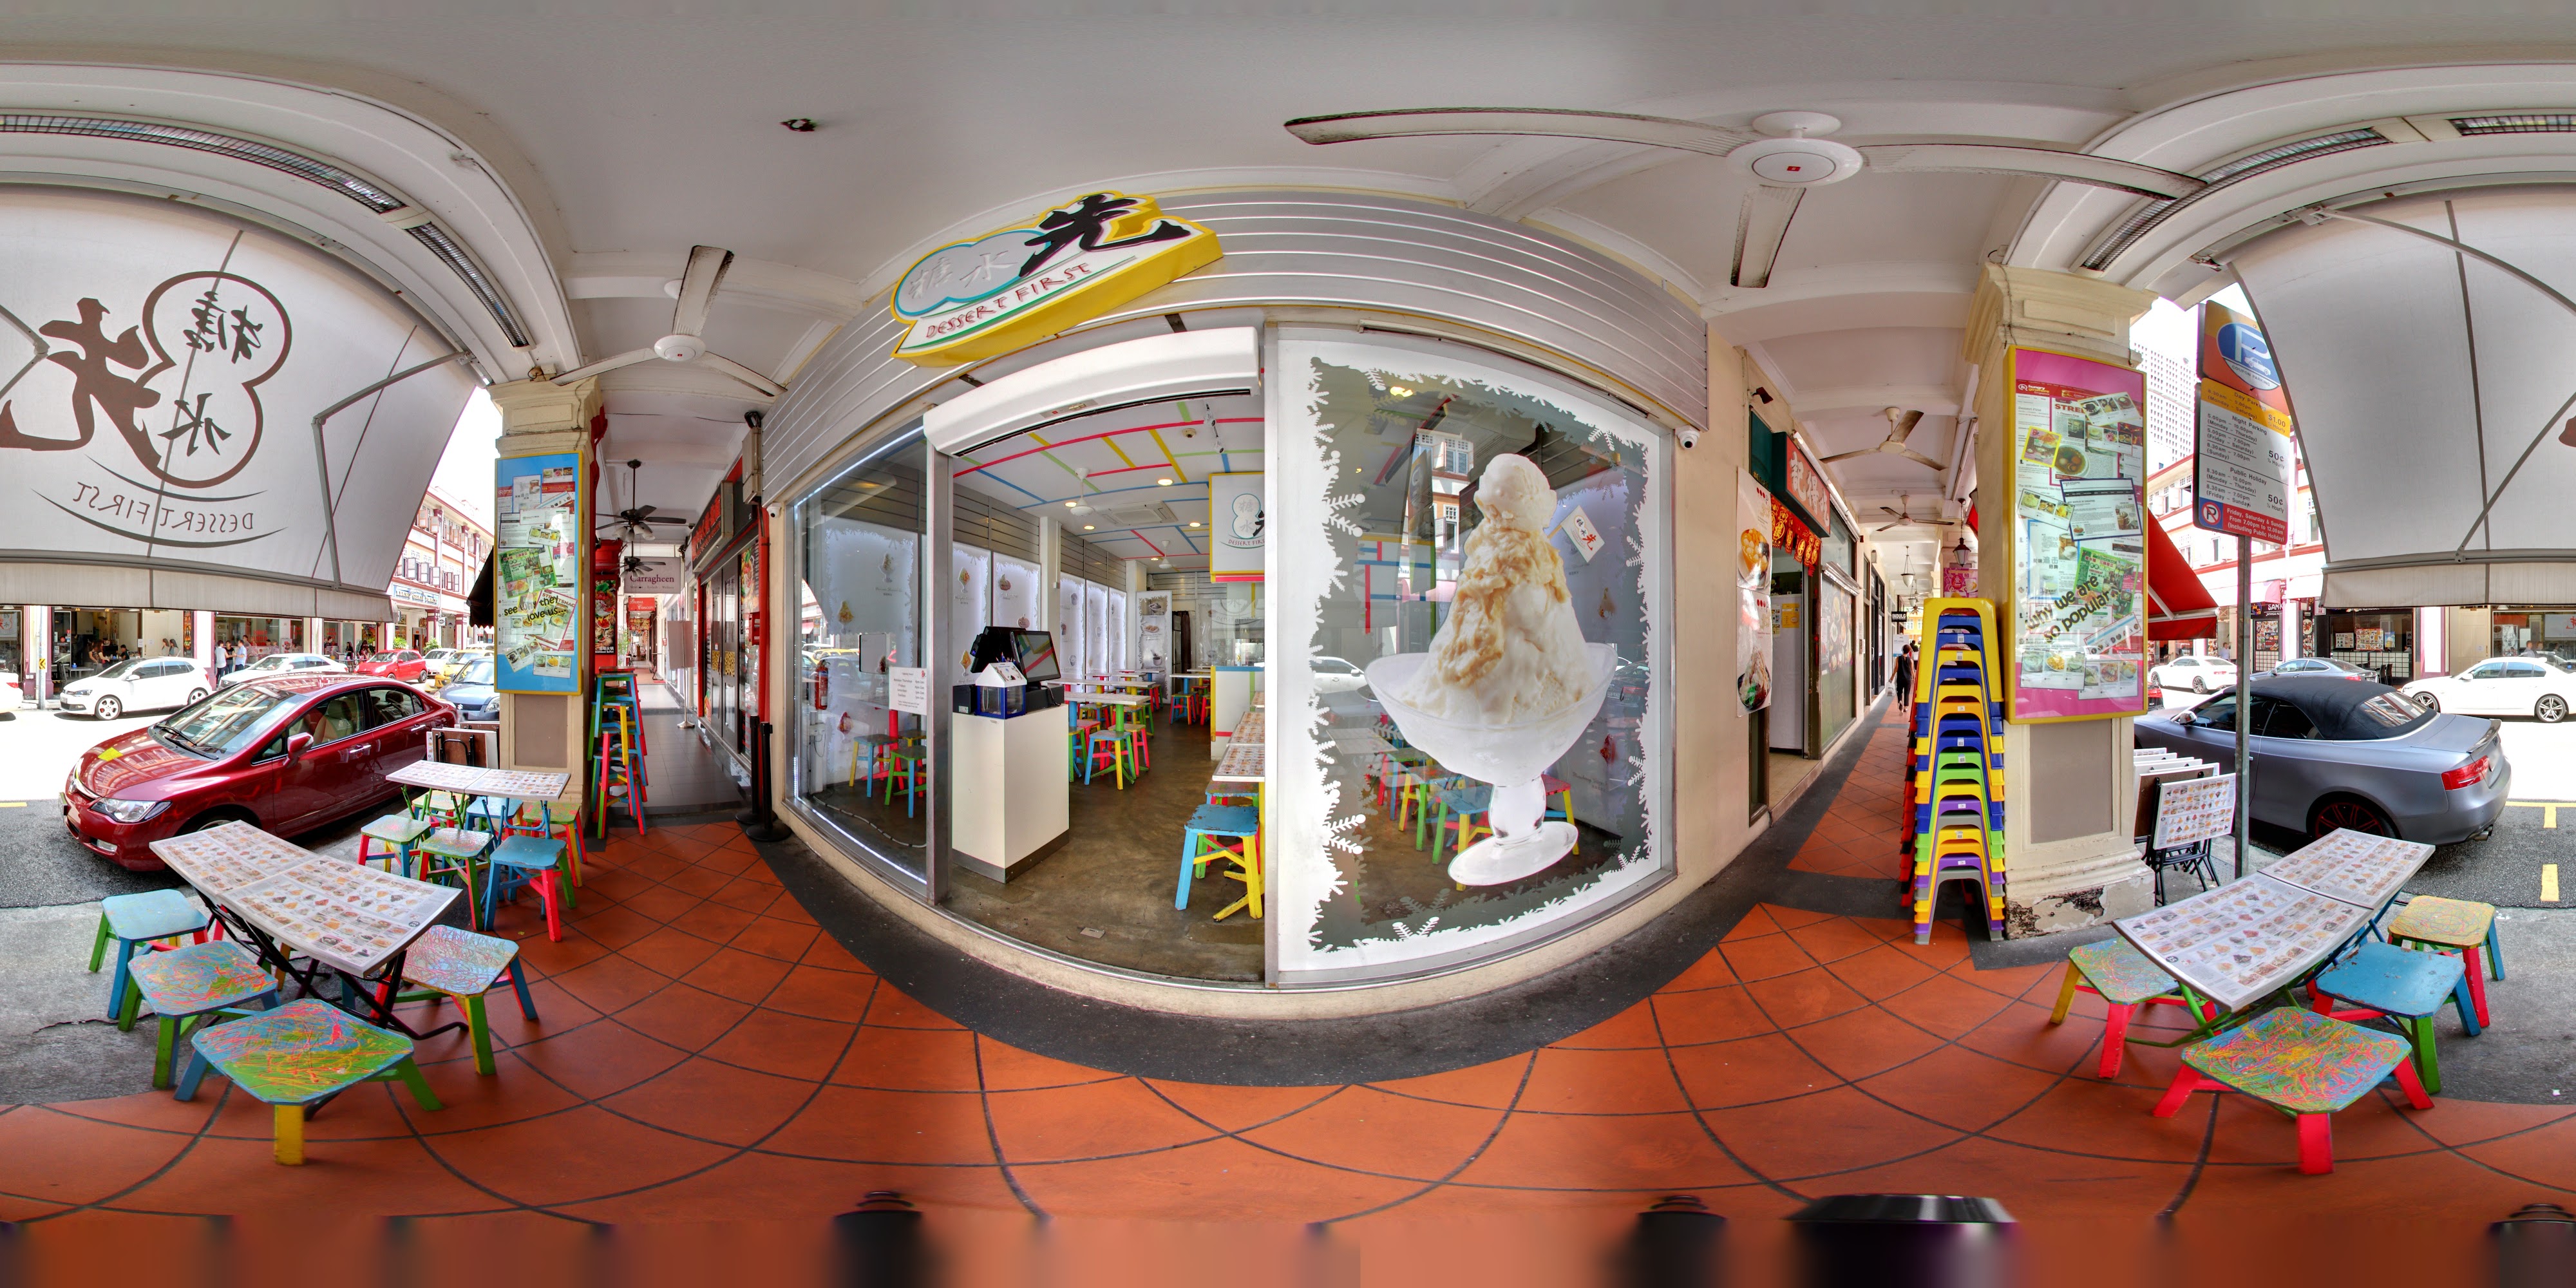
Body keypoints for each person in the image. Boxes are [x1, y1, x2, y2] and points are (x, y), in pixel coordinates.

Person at [1895, 640, 1917, 710]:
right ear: (1909, 651)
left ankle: (1900, 701)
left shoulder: (1898, 658)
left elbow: (1896, 668)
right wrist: (1914, 678)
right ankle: (1905, 707)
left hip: (1900, 678)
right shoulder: (1910, 660)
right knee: (1907, 693)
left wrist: (1892, 677)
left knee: (1899, 691)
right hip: (1908, 679)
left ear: (1903, 650)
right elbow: (1912, 670)